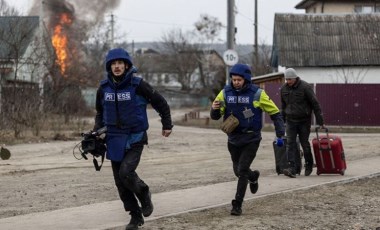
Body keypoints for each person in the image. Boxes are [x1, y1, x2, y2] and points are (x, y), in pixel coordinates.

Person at [93, 48, 173, 230]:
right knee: (121, 184)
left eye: (120, 63)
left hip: (135, 138)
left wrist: (167, 124)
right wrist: (96, 132)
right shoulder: (103, 88)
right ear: (109, 67)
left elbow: (160, 102)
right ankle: (136, 217)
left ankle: (144, 193)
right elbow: (100, 112)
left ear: (127, 65)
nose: (117, 66)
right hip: (113, 140)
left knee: (126, 173)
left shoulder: (138, 85)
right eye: (113, 64)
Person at [210, 63, 285, 216]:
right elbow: (216, 116)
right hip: (233, 139)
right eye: (234, 79)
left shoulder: (257, 93)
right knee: (238, 172)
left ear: (246, 79)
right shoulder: (225, 92)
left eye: (239, 79)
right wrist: (214, 108)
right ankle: (254, 176)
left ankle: (237, 204)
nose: (236, 82)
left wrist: (280, 133)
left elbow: (275, 113)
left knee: (242, 169)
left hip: (251, 138)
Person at [280, 68, 325, 178]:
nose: (288, 81)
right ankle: (292, 168)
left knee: (304, 143)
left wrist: (320, 121)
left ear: (295, 78)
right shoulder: (284, 89)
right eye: (286, 79)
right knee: (290, 144)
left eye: (290, 79)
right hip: (290, 120)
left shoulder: (305, 87)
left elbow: (315, 104)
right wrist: (282, 121)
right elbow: (283, 106)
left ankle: (309, 164)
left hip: (304, 121)